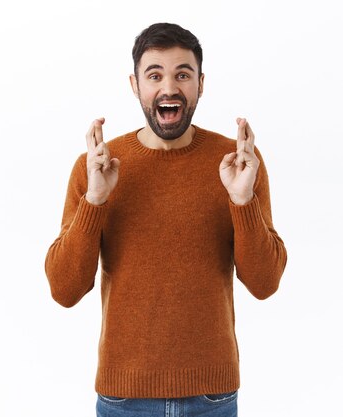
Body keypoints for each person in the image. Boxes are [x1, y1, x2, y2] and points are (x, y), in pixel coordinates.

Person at [44, 23, 287, 417]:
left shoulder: (238, 165)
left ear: (201, 84)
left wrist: (242, 200)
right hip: (124, 398)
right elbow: (64, 289)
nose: (169, 88)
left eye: (183, 74)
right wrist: (95, 199)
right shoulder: (96, 169)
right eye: (154, 75)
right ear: (135, 85)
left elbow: (264, 284)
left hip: (214, 397)